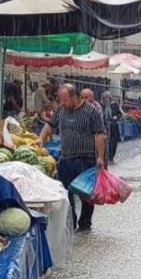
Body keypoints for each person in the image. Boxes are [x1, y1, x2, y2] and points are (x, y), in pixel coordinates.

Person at [35, 84, 105, 232]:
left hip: (85, 159)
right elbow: (49, 124)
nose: (63, 103)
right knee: (66, 193)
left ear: (75, 97)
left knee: (85, 195)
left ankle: (85, 224)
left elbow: (99, 134)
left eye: (66, 100)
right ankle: (71, 222)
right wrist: (41, 138)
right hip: (65, 159)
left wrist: (100, 157)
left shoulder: (91, 111)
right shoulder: (61, 109)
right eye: (61, 100)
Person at [101, 91, 123, 165]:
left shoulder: (114, 105)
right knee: (104, 143)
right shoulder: (101, 106)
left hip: (113, 127)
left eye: (108, 98)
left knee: (113, 143)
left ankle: (111, 158)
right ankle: (105, 158)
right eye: (105, 98)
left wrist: (116, 117)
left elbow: (119, 113)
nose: (106, 100)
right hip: (104, 127)